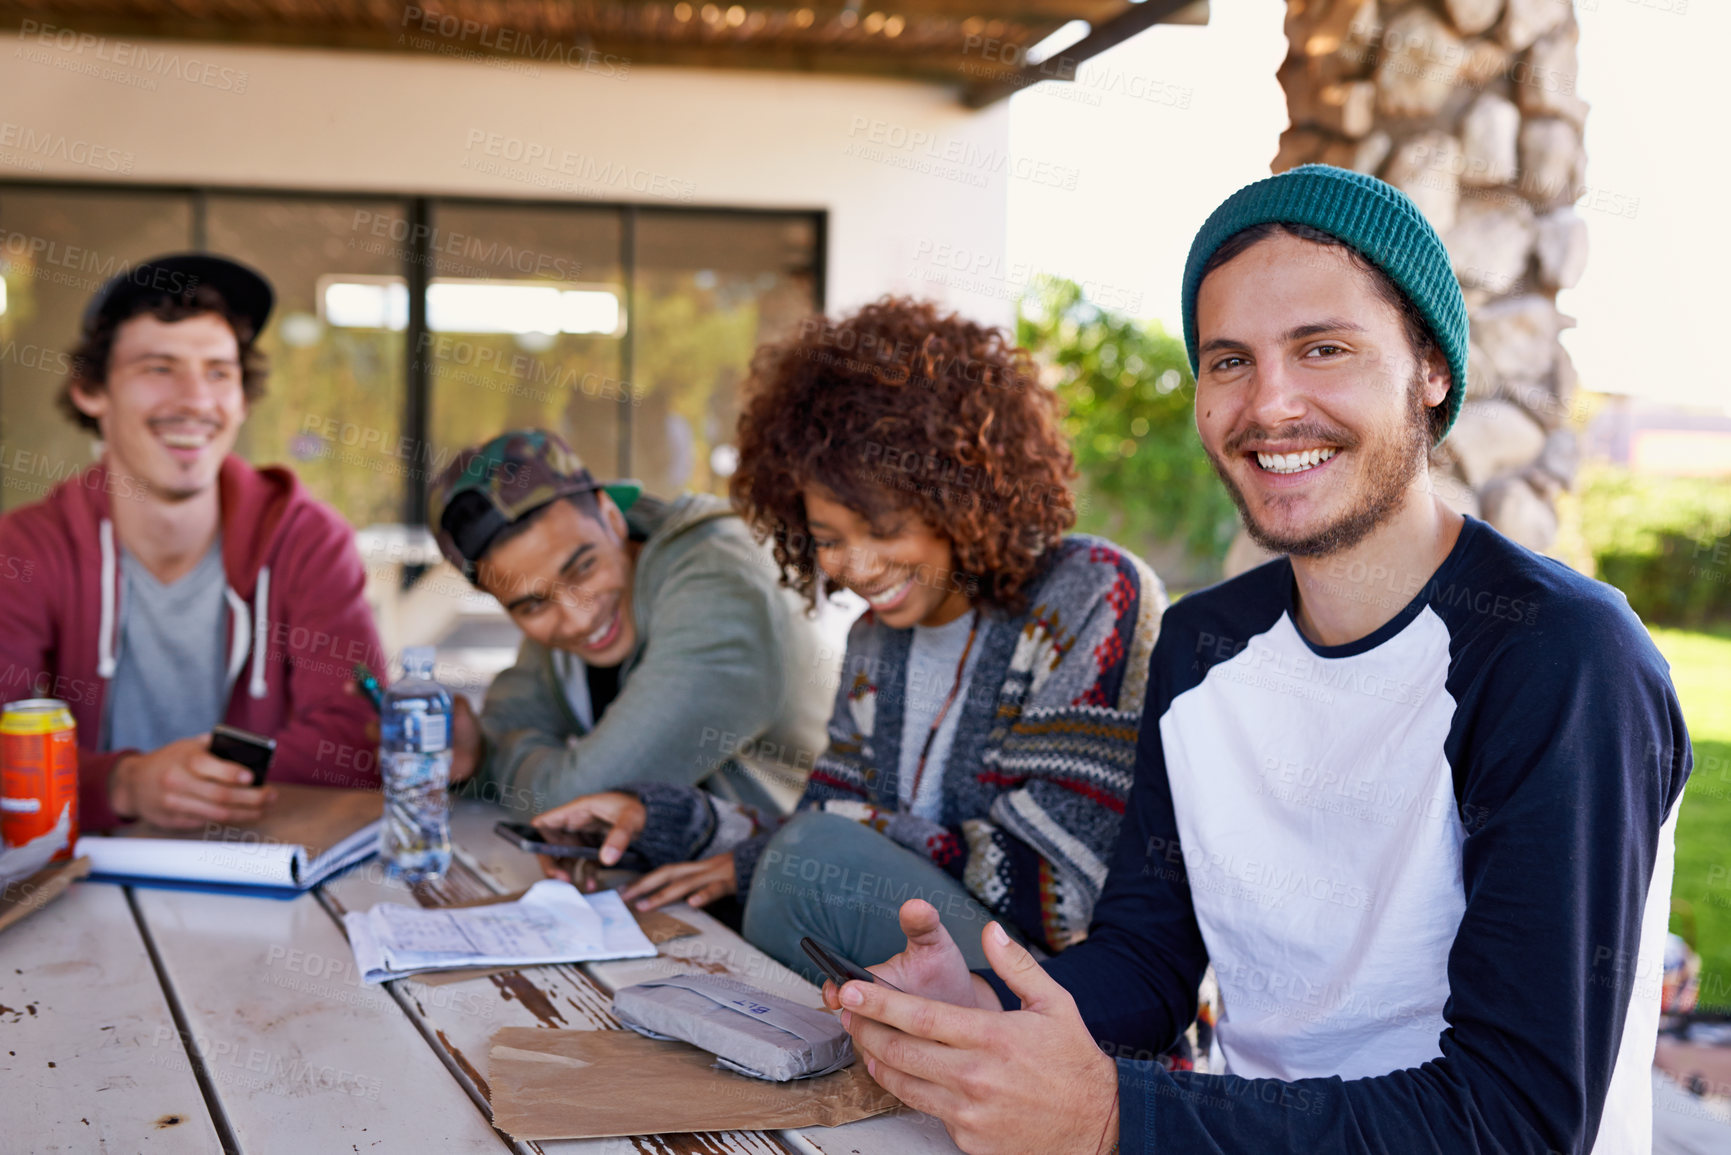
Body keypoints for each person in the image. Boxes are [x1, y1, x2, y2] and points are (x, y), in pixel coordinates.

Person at [825, 166, 1690, 1155]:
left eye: (1324, 349)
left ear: (1431, 371)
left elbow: (1517, 1119)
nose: (1270, 404)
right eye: (1229, 360)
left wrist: (1118, 1119)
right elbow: (1151, 963)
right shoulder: (1203, 644)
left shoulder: (1560, 659)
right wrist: (985, 1007)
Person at [531, 298, 1166, 984]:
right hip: (917, 980)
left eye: (885, 529)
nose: (857, 569)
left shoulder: (1091, 592)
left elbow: (1059, 887)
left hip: (1053, 1001)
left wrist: (826, 838)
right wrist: (661, 817)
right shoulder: (874, 642)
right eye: (828, 540)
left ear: (961, 497)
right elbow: (825, 829)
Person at [0, 253, 384, 831]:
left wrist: (206, 784)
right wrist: (124, 784)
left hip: (265, 879)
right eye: (159, 368)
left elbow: (360, 737)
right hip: (76, 880)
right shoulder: (27, 549)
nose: (196, 401)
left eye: (219, 372)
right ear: (90, 391)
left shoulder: (307, 540)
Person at [425, 429, 831, 820]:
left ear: (611, 516)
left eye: (583, 568)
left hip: (796, 878)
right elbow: (509, 721)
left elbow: (578, 802)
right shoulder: (574, 608)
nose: (580, 618)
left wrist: (495, 761)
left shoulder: (719, 582)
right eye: (532, 605)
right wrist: (478, 755)